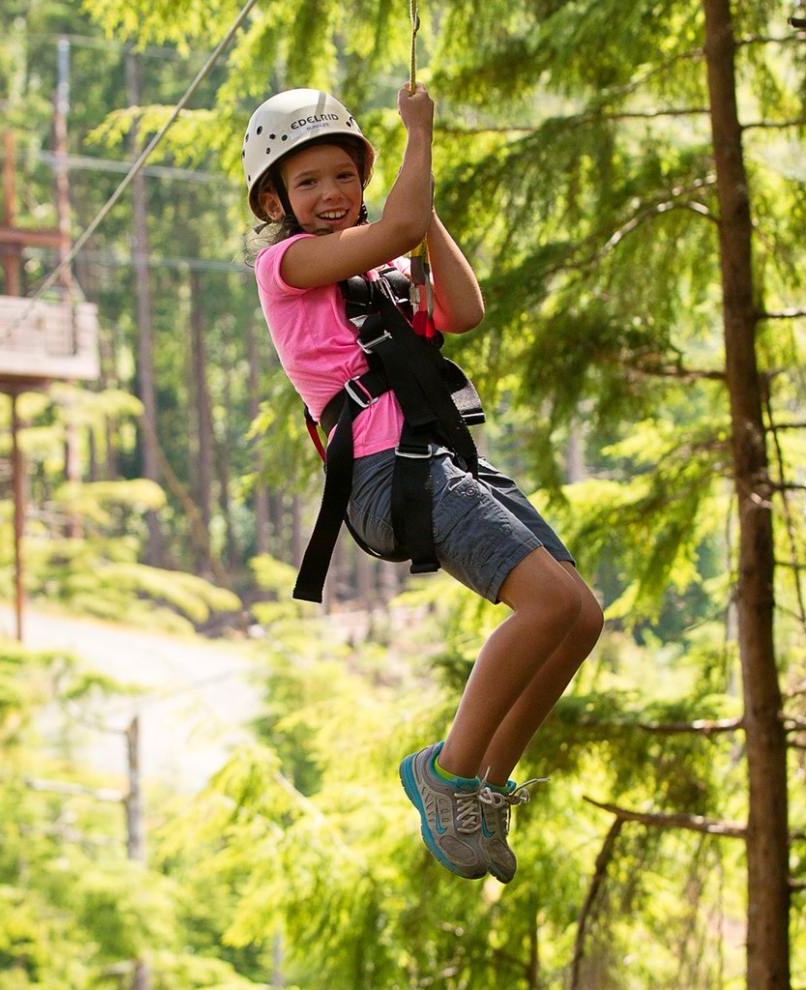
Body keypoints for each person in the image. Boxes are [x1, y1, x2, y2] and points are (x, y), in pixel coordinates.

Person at [245, 86, 603, 884]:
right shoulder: (287, 265)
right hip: (384, 472)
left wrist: (424, 208)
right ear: (275, 201)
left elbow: (465, 309)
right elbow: (396, 226)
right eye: (309, 185)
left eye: (344, 177)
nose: (332, 195)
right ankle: (444, 774)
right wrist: (419, 137)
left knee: (578, 615)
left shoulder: (385, 272)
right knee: (545, 604)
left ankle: (482, 786)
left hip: (440, 459)